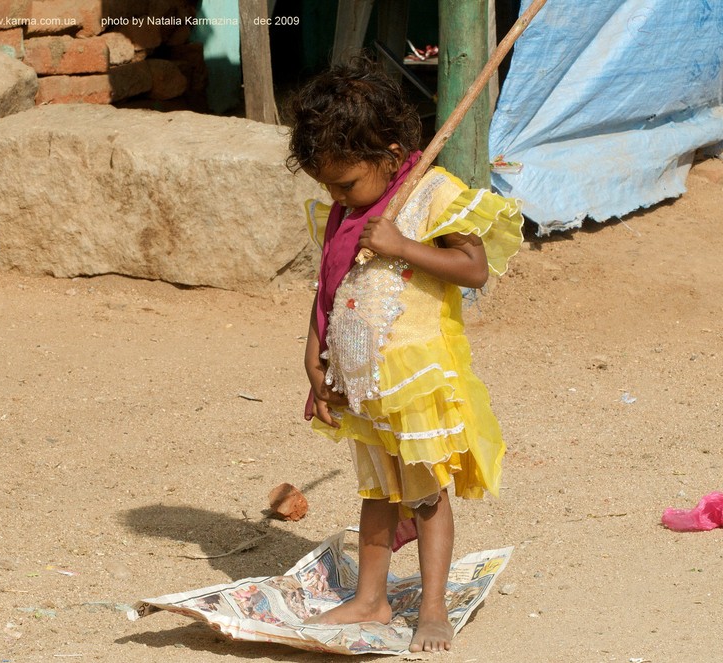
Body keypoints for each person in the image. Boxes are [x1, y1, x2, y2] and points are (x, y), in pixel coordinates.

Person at [286, 56, 523, 653]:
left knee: (422, 494)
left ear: (392, 156)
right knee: (376, 494)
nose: (337, 197)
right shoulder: (346, 209)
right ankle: (371, 599)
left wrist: (401, 244)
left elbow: (474, 268)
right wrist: (315, 362)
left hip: (413, 378)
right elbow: (330, 288)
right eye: (328, 187)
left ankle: (434, 609)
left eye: (345, 184)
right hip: (362, 380)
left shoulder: (430, 194)